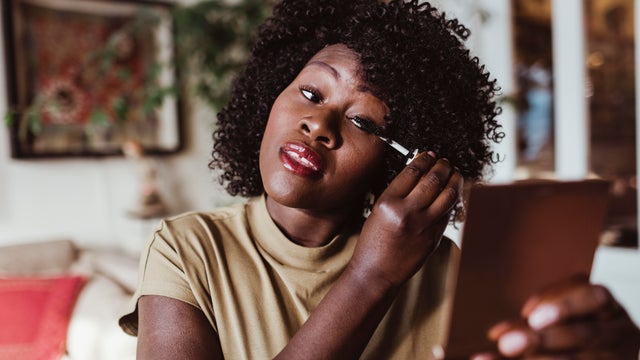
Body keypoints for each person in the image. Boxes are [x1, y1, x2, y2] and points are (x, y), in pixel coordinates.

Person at [119, 0, 640, 358]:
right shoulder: (186, 250)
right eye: (310, 93)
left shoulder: (445, 272)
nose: (318, 126)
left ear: (402, 162)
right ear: (268, 97)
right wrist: (370, 278)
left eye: (363, 122)